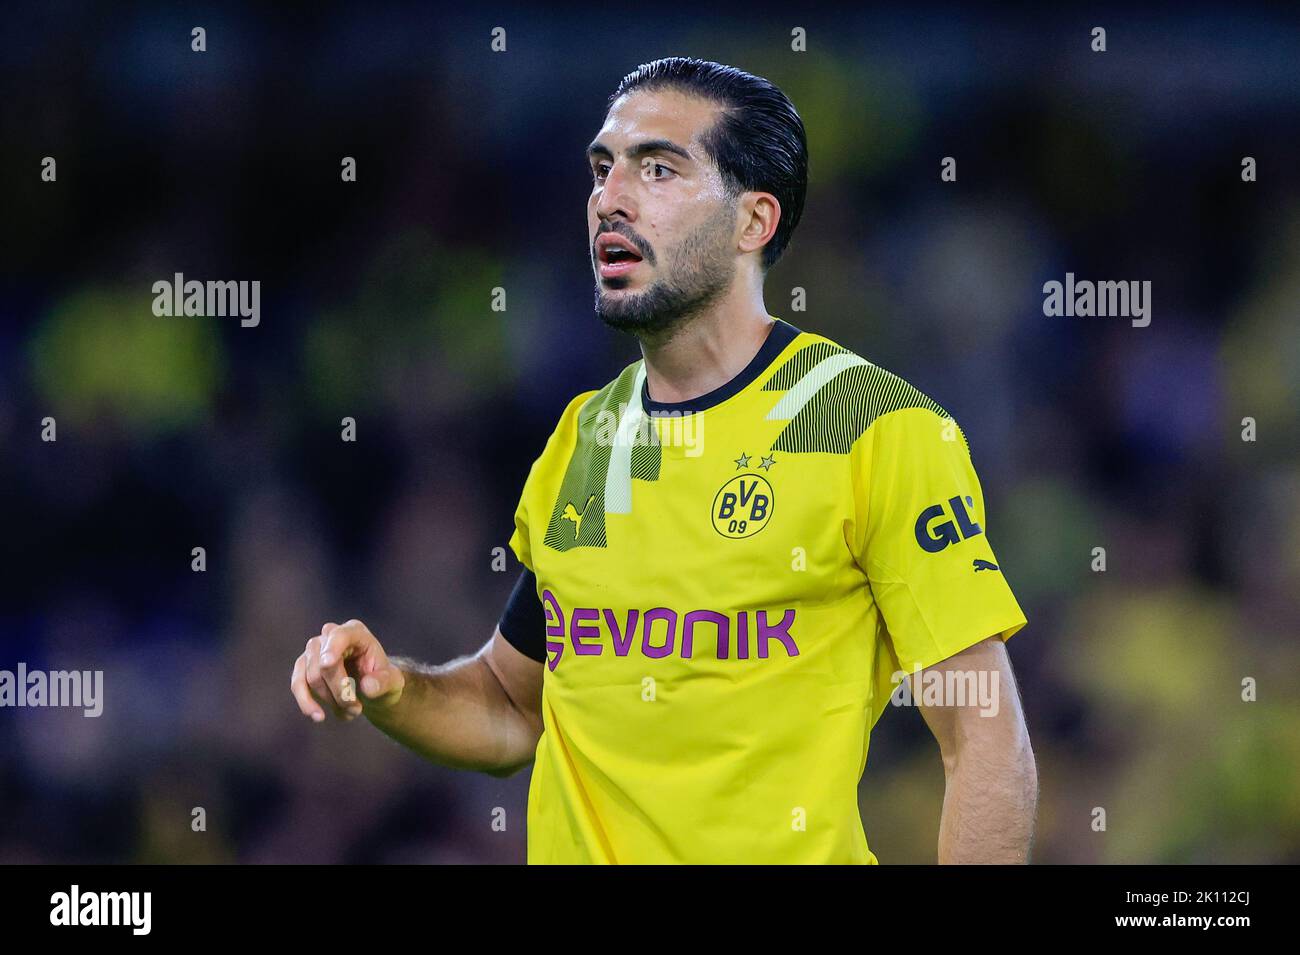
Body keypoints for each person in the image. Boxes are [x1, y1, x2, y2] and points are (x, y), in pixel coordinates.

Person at [290, 57, 1037, 864]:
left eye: (658, 169)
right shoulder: (585, 436)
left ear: (753, 222)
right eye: (602, 169)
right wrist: (395, 689)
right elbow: (512, 706)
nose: (610, 198)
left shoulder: (873, 426)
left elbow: (986, 743)